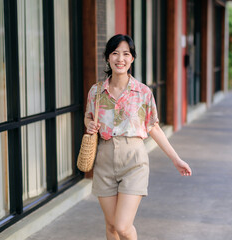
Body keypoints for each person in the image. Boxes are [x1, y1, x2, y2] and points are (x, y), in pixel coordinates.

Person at [84, 34, 192, 240]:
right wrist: (89, 125)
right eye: (115, 53)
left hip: (134, 162)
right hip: (104, 160)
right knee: (111, 226)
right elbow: (88, 117)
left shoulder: (143, 92)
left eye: (125, 54)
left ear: (132, 58)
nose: (120, 59)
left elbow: (154, 128)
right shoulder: (96, 92)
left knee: (122, 226)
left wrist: (176, 159)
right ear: (107, 58)